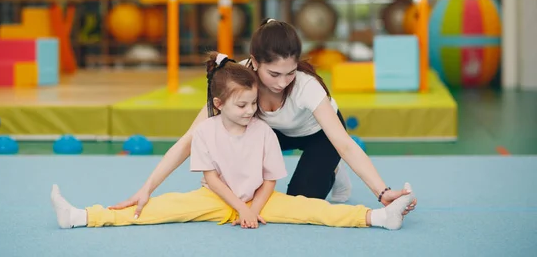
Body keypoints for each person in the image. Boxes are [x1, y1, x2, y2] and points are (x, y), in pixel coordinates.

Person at [51, 53, 415, 230]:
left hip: (269, 192)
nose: (251, 110)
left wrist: (254, 207)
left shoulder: (264, 128)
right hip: (218, 199)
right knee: (158, 210)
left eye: (252, 105)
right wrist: (145, 188)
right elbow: (199, 164)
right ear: (219, 104)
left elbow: (274, 178)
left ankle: (380, 218)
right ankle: (82, 216)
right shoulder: (217, 113)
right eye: (242, 104)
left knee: (311, 207)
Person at [110, 19, 417, 219]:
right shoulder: (238, 80)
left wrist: (382, 192)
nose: (282, 82)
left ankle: (330, 167)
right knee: (259, 194)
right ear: (254, 63)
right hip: (267, 133)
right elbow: (190, 139)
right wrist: (146, 188)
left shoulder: (307, 88)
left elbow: (346, 145)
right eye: (273, 74)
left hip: (316, 134)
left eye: (290, 72)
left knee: (300, 202)